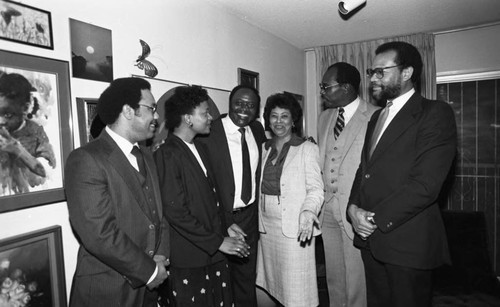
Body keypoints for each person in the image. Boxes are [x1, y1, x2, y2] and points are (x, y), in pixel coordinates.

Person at [347, 41, 457, 307]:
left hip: (408, 244)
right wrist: (352, 208)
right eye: (372, 71)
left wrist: (373, 218)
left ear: (407, 73)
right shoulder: (376, 118)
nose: (373, 77)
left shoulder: (434, 113)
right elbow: (365, 170)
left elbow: (425, 185)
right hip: (371, 241)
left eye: (381, 71)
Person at [65, 77, 170, 306]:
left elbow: (158, 216)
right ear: (128, 111)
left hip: (148, 291)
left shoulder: (146, 156)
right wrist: (150, 271)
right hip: (108, 290)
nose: (156, 116)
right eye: (151, 108)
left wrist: (160, 259)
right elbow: (99, 234)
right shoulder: (86, 159)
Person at [154, 85, 250, 306]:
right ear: (188, 118)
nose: (210, 117)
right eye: (204, 113)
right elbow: (176, 212)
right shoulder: (167, 154)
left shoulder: (199, 147)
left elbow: (209, 199)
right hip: (191, 258)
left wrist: (226, 225)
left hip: (212, 255)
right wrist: (217, 242)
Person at [196, 85, 267, 306]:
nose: (244, 109)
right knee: (219, 282)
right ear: (229, 104)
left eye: (251, 105)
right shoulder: (209, 132)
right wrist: (222, 222)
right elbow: (203, 184)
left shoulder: (256, 130)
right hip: (219, 218)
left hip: (248, 217)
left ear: (257, 110)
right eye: (239, 103)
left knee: (246, 280)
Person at [317, 62, 379, 307]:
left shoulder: (375, 115)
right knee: (334, 276)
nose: (322, 91)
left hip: (355, 209)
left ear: (346, 87)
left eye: (326, 86)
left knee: (357, 279)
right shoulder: (325, 117)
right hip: (328, 208)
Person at [256, 93, 324, 307]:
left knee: (297, 290)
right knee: (268, 283)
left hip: (296, 227)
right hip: (266, 228)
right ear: (268, 119)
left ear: (293, 120)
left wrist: (308, 211)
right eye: (274, 116)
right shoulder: (264, 148)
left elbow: (316, 189)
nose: (279, 121)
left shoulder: (307, 149)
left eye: (284, 116)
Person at [0, 72, 56, 195]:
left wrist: (17, 149)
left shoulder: (36, 132)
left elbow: (49, 172)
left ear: (25, 108)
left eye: (8, 114)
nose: (1, 121)